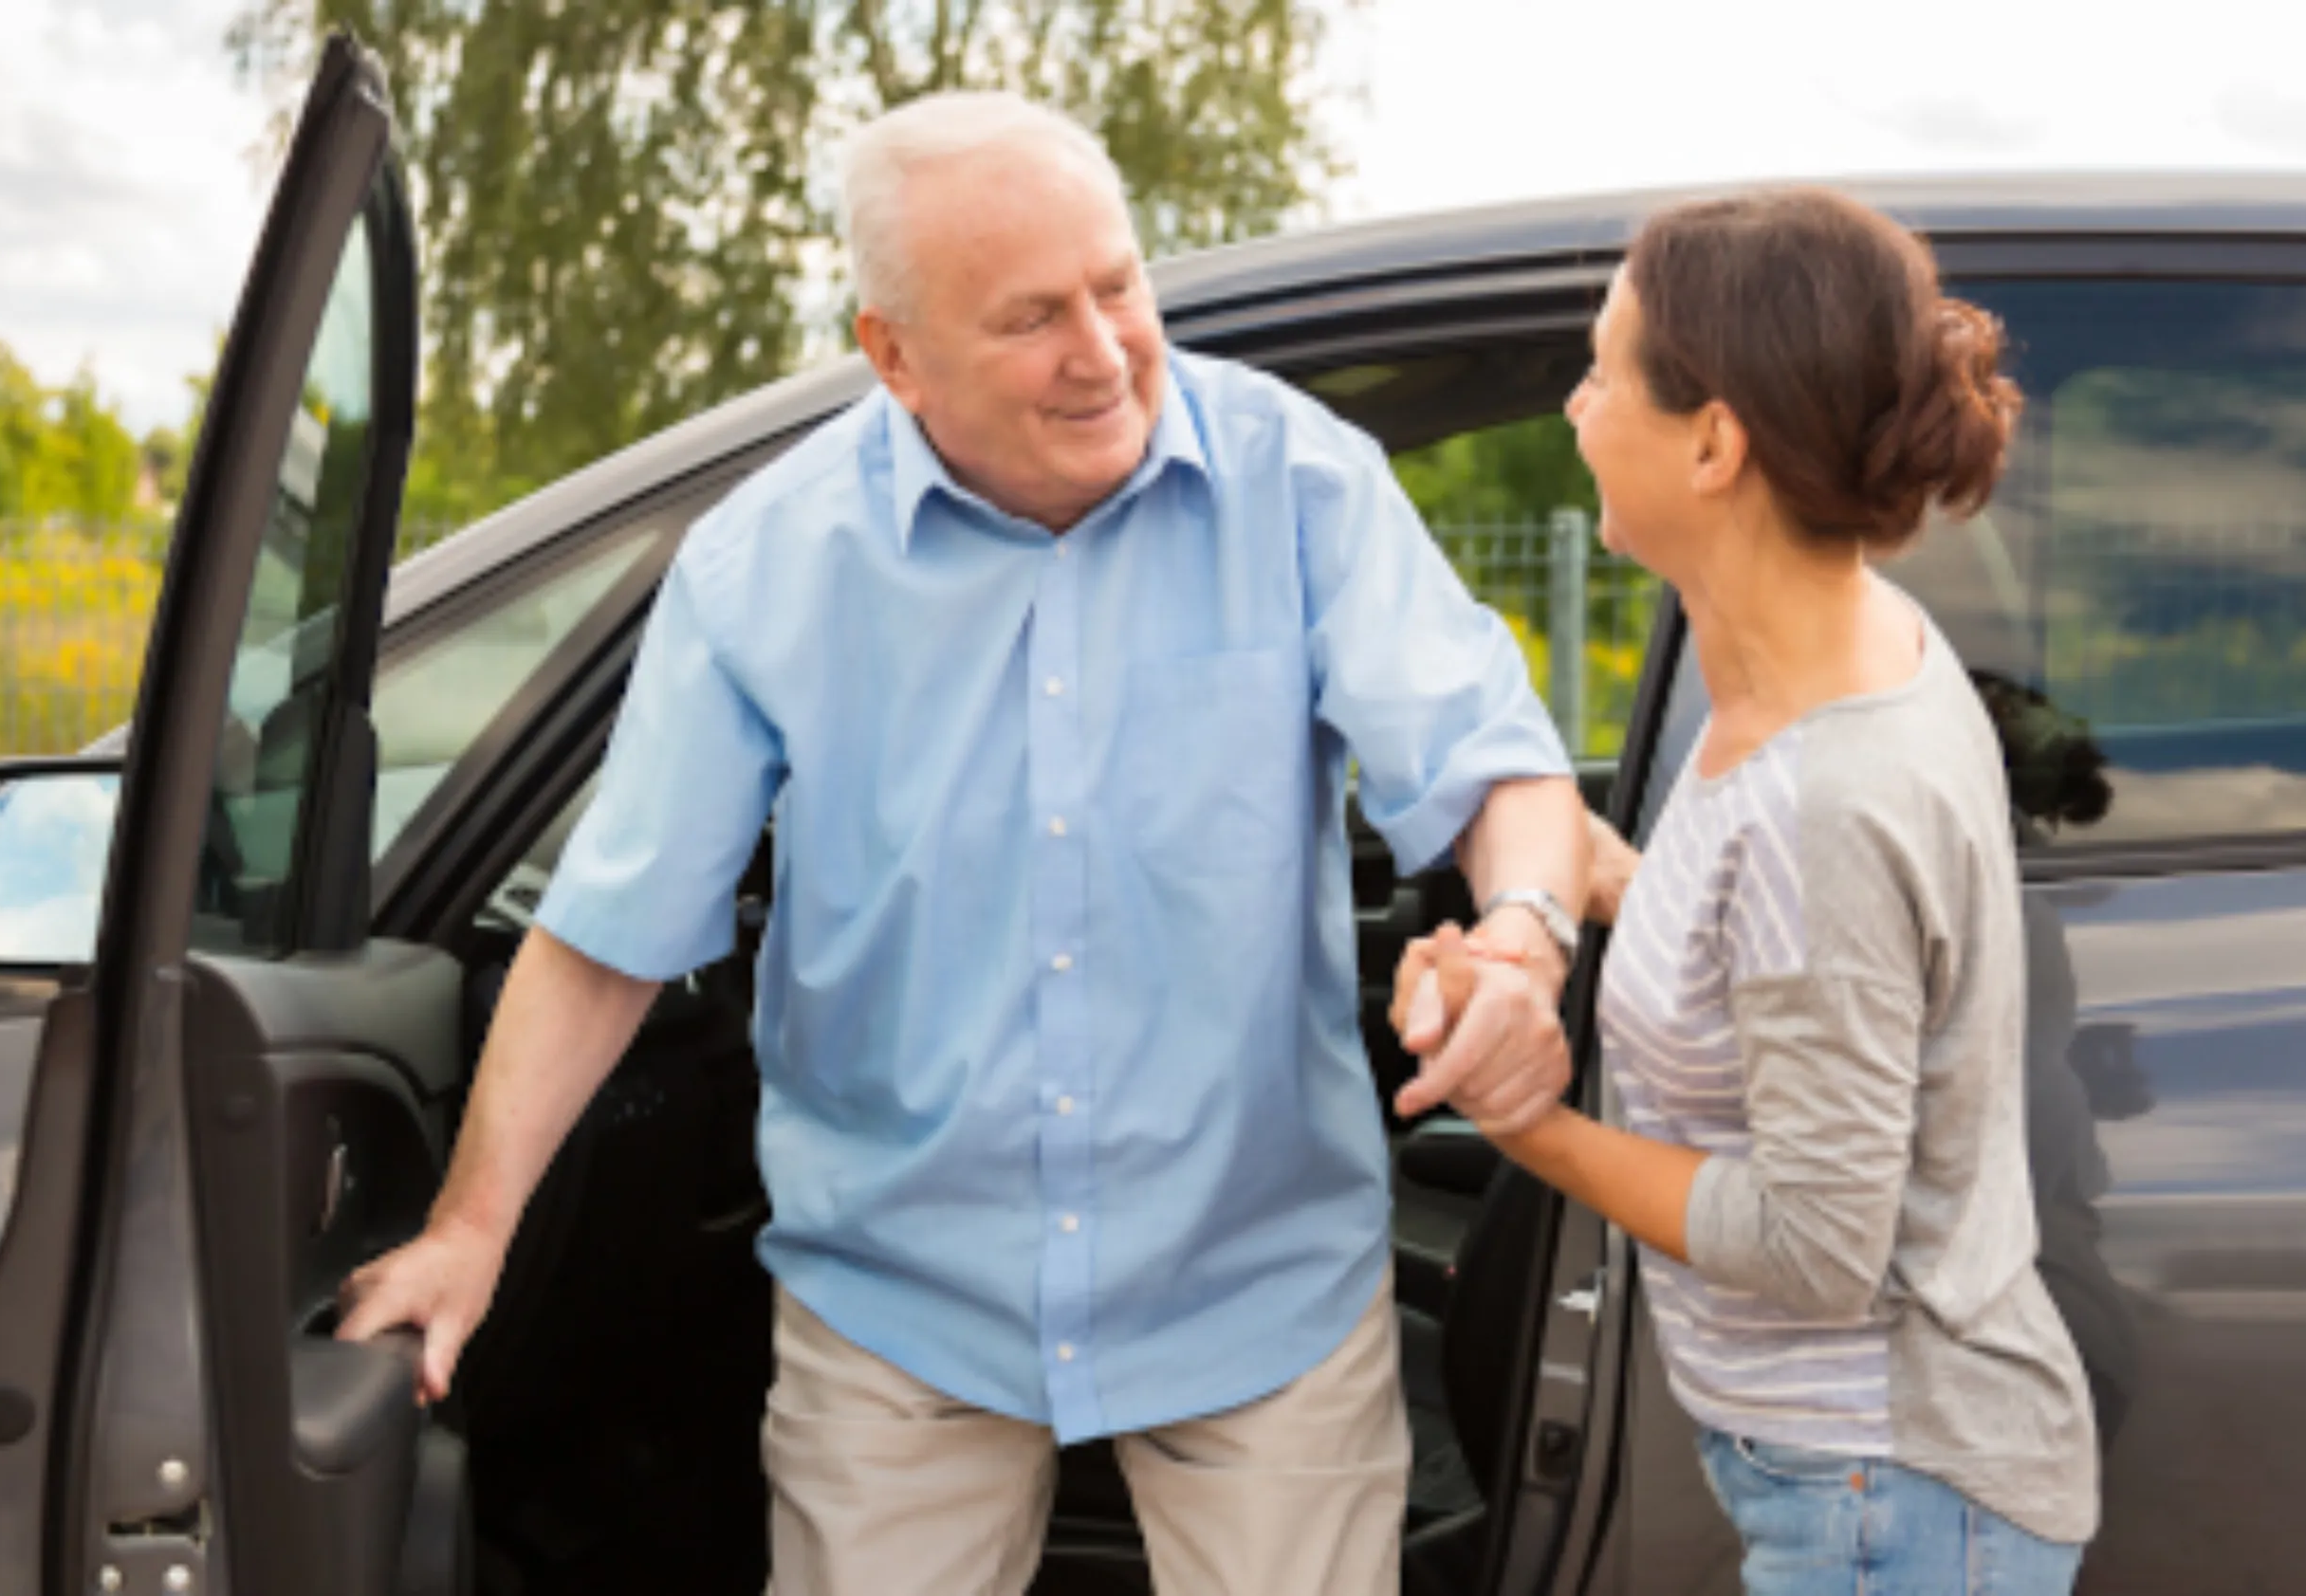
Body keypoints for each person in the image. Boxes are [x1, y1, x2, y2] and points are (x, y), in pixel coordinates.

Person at [338, 90, 1590, 1596]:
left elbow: (1496, 770)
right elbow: (609, 932)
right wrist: (473, 1228)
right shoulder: (769, 566)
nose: (1105, 348)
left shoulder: (1303, 486)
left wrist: (1524, 938)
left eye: (1119, 285)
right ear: (894, 355)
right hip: (901, 1308)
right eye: (1032, 317)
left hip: (1258, 1290)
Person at [1397, 188, 2100, 1594]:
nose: (1577, 406)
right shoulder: (1854, 649)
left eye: (1603, 370)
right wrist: (1599, 883)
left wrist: (1521, 1120)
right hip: (1861, 1481)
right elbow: (1794, 957)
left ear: (1715, 439)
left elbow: (1816, 1244)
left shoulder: (1826, 789)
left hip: (1890, 1501)